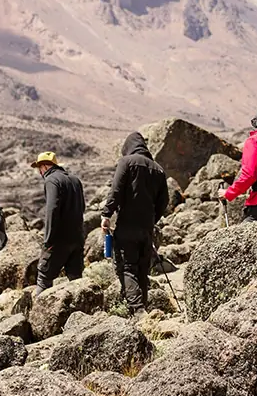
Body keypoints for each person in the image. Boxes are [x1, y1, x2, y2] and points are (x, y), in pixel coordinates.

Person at [102, 132, 169, 317]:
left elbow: (116, 191)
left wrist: (106, 214)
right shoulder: (158, 169)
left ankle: (139, 311)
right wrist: (152, 220)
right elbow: (164, 202)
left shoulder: (127, 162)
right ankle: (143, 313)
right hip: (147, 228)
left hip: (127, 225)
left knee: (128, 268)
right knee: (142, 269)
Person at [31, 151, 86, 295]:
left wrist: (48, 240)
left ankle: (38, 316)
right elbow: (82, 208)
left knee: (44, 278)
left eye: (39, 168)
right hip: (77, 239)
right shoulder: (75, 180)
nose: (39, 172)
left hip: (59, 240)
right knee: (76, 281)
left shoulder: (51, 180)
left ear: (43, 167)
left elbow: (52, 210)